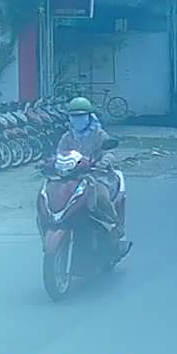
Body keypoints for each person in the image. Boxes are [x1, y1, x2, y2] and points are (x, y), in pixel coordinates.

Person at [56, 97, 129, 252]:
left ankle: (113, 224)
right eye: (74, 116)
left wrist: (104, 161)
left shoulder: (99, 134)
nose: (77, 120)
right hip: (72, 177)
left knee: (100, 196)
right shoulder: (67, 137)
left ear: (89, 117)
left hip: (97, 176)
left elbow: (110, 152)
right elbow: (60, 154)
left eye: (81, 116)